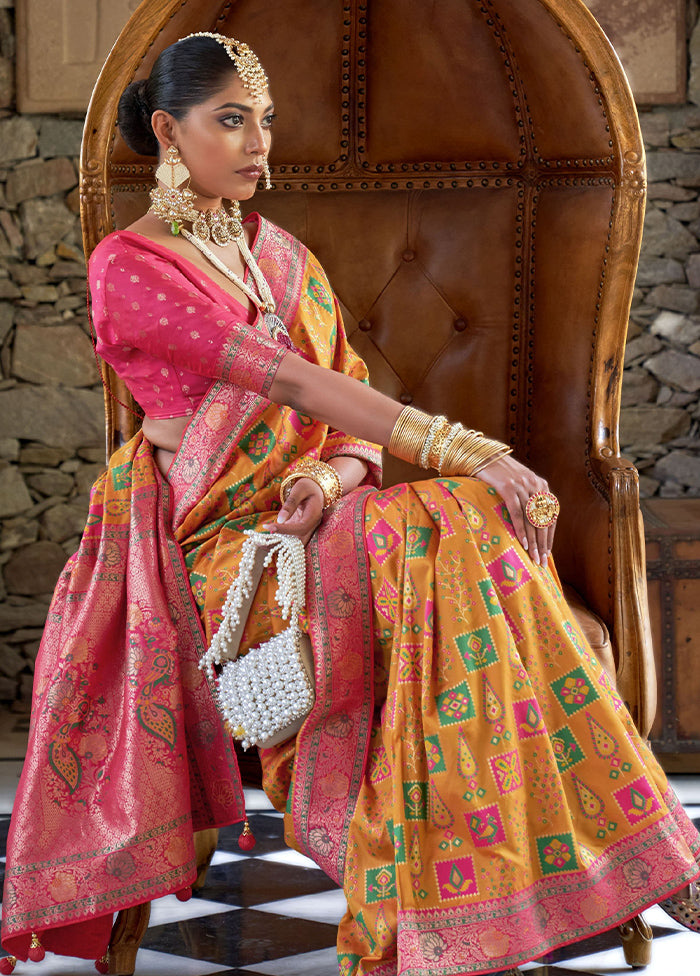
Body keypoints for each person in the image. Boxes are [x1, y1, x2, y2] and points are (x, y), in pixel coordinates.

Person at [2, 33, 699, 976]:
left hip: (311, 517)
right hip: (217, 542)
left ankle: (568, 869)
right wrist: (469, 449)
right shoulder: (131, 265)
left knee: (457, 530)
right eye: (232, 120)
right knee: (457, 512)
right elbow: (290, 382)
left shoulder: (280, 256)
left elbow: (351, 424)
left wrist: (324, 482)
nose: (260, 144)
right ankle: (611, 861)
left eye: (267, 121)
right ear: (169, 131)